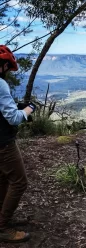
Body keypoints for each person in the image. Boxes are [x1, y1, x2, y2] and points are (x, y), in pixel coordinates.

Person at [0, 45, 36, 242]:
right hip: (3, 143)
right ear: (4, 65)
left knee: (3, 180)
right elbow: (13, 118)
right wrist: (29, 110)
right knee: (19, 182)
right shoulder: (0, 84)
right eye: (7, 67)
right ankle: (3, 228)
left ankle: (2, 219)